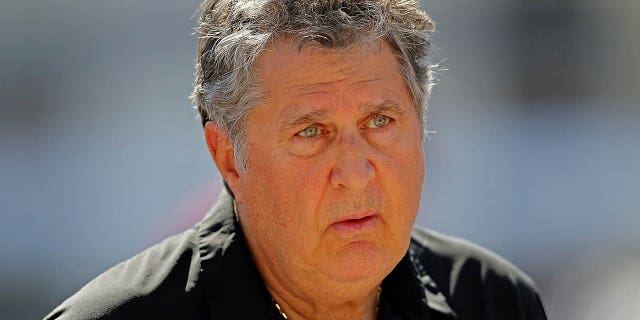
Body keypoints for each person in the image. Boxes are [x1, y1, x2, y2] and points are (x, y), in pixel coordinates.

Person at [45, 0, 547, 319]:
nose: (355, 173)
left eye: (380, 122)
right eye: (311, 132)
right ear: (229, 159)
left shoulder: (493, 301)